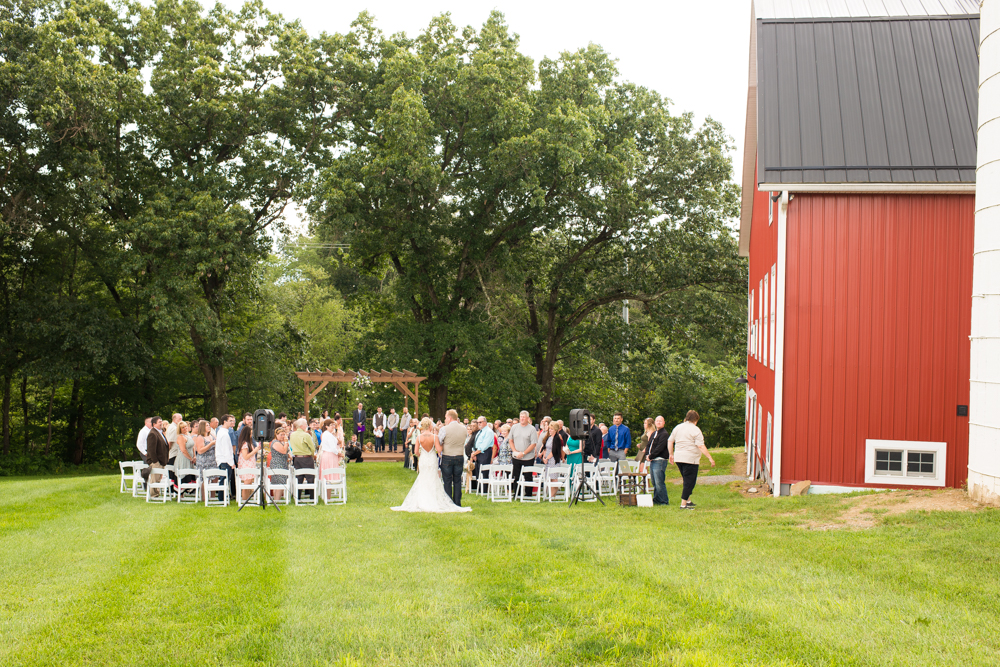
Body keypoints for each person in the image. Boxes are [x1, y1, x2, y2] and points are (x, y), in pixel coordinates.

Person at [391, 418, 472, 513]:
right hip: (432, 459)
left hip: (424, 460)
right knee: (433, 478)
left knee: (423, 478)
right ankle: (433, 499)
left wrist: (421, 455)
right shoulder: (434, 437)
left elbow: (416, 451)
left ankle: (422, 500)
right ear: (430, 426)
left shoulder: (419, 437)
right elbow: (439, 449)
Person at [668, 410, 715, 509]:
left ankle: (688, 501)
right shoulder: (695, 429)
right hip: (690, 458)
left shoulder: (678, 427)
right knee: (690, 482)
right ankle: (683, 504)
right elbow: (701, 446)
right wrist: (710, 458)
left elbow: (670, 441)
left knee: (686, 480)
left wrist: (671, 454)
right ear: (696, 419)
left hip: (679, 457)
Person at [439, 409, 467, 506]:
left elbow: (439, 441)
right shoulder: (464, 429)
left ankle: (448, 503)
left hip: (447, 456)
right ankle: (457, 502)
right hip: (459, 456)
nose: (445, 419)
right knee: (457, 480)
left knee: (447, 480)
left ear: (450, 418)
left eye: (446, 417)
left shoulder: (444, 429)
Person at [509, 411, 537, 499]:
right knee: (516, 476)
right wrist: (515, 451)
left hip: (528, 457)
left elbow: (533, 444)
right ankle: (517, 493)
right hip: (516, 456)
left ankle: (528, 494)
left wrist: (524, 453)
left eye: (524, 417)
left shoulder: (532, 429)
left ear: (528, 418)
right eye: (521, 416)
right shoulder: (514, 427)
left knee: (528, 476)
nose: (522, 418)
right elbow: (510, 440)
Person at [290, 418, 317, 500]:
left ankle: (297, 497)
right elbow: (312, 448)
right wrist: (312, 455)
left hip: (297, 458)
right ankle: (312, 497)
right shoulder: (306, 435)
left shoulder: (292, 435)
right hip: (307, 458)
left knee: (299, 478)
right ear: (302, 426)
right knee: (310, 478)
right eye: (306, 424)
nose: (307, 426)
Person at [646, 416, 670, 505]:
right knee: (654, 481)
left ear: (664, 422)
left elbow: (660, 448)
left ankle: (664, 501)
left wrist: (651, 456)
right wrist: (647, 455)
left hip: (660, 460)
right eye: (657, 421)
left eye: (660, 421)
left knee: (659, 482)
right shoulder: (654, 433)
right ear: (655, 423)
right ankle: (656, 499)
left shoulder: (664, 434)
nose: (658, 422)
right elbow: (649, 445)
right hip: (653, 460)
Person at [193, 420, 217, 499]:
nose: (209, 427)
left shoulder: (212, 435)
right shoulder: (200, 437)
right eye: (207, 425)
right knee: (204, 479)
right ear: (203, 427)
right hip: (204, 460)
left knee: (214, 477)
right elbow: (200, 450)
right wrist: (211, 444)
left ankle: (212, 497)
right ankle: (204, 498)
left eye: (209, 425)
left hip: (213, 460)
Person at [319, 416, 344, 495]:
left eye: (334, 425)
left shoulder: (330, 434)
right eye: (331, 425)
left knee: (329, 475)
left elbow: (337, 443)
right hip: (329, 455)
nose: (333, 426)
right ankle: (327, 496)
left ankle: (328, 495)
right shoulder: (327, 434)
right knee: (329, 475)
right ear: (326, 426)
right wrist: (339, 453)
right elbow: (332, 447)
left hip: (330, 455)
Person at [145, 416, 169, 496]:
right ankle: (153, 495)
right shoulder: (152, 433)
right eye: (159, 422)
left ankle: (156, 493)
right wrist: (155, 461)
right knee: (154, 478)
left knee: (158, 478)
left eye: (161, 421)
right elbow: (151, 450)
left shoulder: (160, 432)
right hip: (156, 461)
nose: (161, 423)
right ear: (154, 424)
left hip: (161, 460)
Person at [216, 414, 238, 501]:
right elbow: (226, 450)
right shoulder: (224, 434)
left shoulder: (224, 432)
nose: (232, 423)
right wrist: (231, 463)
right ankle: (221, 499)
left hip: (223, 460)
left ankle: (223, 498)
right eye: (230, 421)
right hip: (225, 461)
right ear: (225, 422)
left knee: (225, 480)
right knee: (224, 480)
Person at [470, 416, 495, 492]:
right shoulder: (479, 432)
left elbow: (484, 445)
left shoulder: (489, 431)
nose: (479, 424)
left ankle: (484, 490)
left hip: (485, 453)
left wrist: (475, 453)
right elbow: (476, 443)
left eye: (480, 422)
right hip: (477, 453)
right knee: (477, 471)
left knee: (484, 472)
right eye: (478, 422)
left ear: (485, 422)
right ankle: (479, 489)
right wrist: (474, 452)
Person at [237, 426, 261, 502]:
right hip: (246, 465)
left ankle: (247, 499)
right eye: (250, 434)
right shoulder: (244, 444)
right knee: (246, 483)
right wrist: (255, 450)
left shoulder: (249, 443)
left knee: (249, 482)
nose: (251, 436)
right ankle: (244, 500)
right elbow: (245, 456)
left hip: (250, 465)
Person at [545, 422, 566, 498]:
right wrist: (544, 457)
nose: (550, 430)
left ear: (555, 430)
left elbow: (554, 450)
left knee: (554, 477)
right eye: (549, 429)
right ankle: (549, 494)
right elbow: (546, 448)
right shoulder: (549, 437)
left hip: (553, 459)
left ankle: (552, 495)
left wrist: (547, 458)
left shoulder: (557, 437)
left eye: (552, 429)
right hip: (547, 459)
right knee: (549, 477)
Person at [269, 426, 290, 501]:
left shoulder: (281, 442)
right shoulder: (275, 442)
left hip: (283, 464)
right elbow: (283, 451)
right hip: (277, 464)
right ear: (276, 435)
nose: (283, 436)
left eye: (284, 434)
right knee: (279, 483)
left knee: (279, 483)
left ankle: (276, 500)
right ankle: (276, 501)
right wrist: (286, 442)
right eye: (281, 435)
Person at [175, 421, 197, 490]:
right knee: (183, 474)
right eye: (182, 428)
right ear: (180, 429)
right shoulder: (180, 437)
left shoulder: (188, 435)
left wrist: (194, 456)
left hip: (190, 457)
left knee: (190, 473)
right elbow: (183, 450)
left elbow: (193, 446)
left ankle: (189, 490)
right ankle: (181, 493)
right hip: (183, 458)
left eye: (185, 426)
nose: (185, 428)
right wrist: (190, 458)